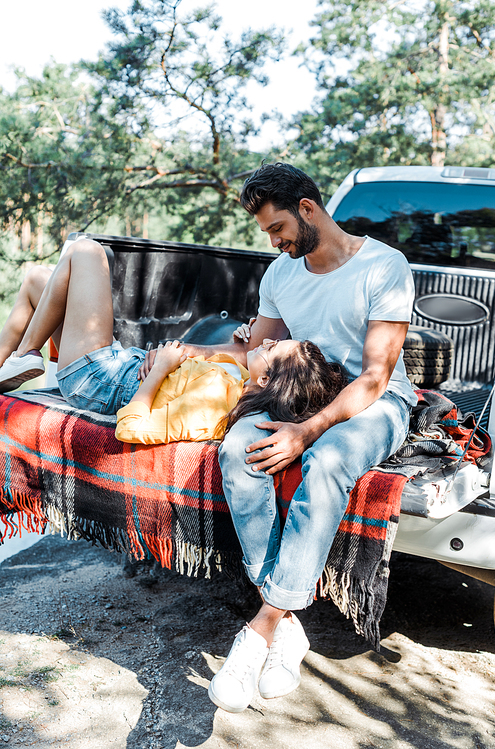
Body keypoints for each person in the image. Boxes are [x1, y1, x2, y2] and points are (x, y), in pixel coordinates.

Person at [159, 162, 417, 714]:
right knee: (237, 451)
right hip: (294, 390)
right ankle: (290, 624)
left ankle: (258, 632)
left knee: (324, 464)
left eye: (277, 229)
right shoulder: (281, 274)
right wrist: (187, 354)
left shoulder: (384, 266)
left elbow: (374, 378)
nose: (274, 243)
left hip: (376, 400)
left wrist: (307, 432)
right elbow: (254, 353)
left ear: (307, 208)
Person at [0, 241, 346, 446]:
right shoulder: (239, 380)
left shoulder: (214, 407)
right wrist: (242, 338)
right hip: (115, 363)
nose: (268, 340)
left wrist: (161, 369)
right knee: (37, 280)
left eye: (272, 348)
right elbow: (233, 357)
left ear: (266, 381)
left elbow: (131, 428)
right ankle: (11, 364)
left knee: (87, 251)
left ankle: (26, 353)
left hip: (99, 380)